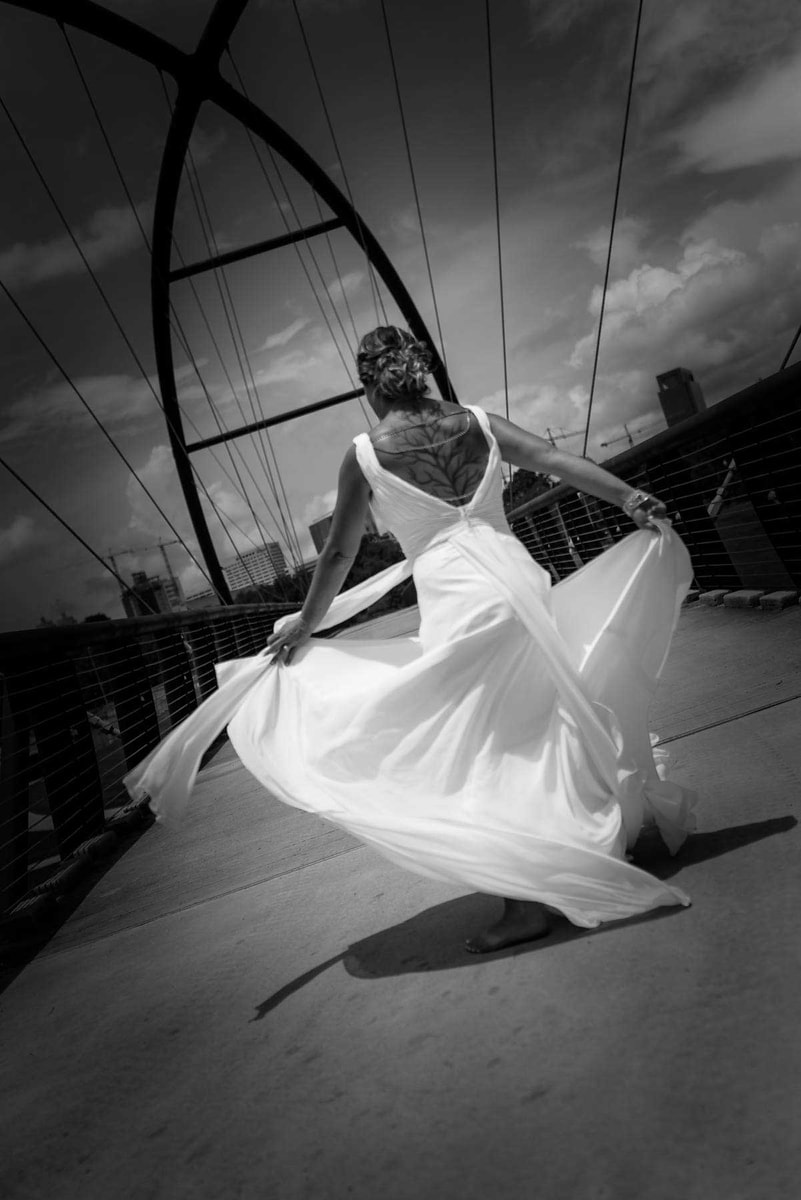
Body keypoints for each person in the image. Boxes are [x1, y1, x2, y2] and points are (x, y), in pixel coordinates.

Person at [125, 326, 696, 954]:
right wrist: (630, 497)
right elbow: (558, 461)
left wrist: (306, 624)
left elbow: (341, 552)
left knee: (480, 744)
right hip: (516, 579)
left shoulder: (366, 453)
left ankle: (525, 902)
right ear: (421, 369)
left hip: (460, 601)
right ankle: (606, 824)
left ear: (369, 383)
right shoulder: (478, 422)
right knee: (547, 712)